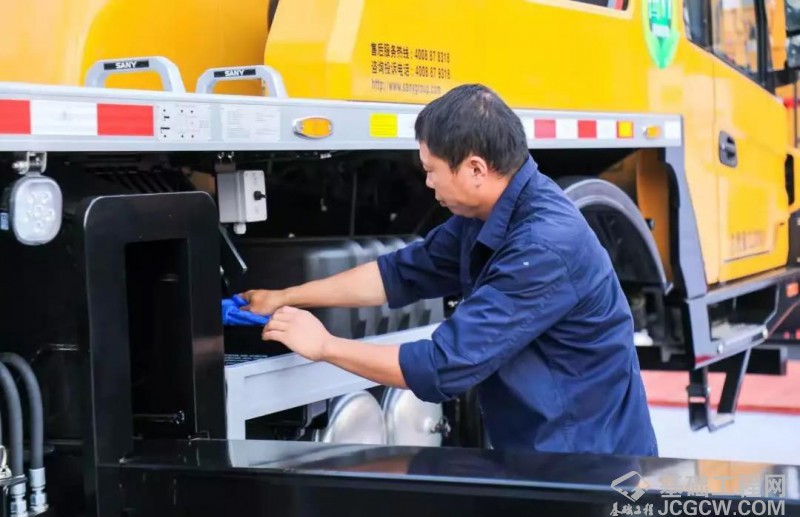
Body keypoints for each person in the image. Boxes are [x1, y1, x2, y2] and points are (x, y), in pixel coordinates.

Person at [240, 83, 658, 457]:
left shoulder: (543, 247)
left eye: (431, 170)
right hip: (545, 451)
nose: (427, 183)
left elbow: (442, 366)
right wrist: (287, 296)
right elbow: (399, 273)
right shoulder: (489, 212)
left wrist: (325, 346)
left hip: (591, 462)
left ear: (475, 168)